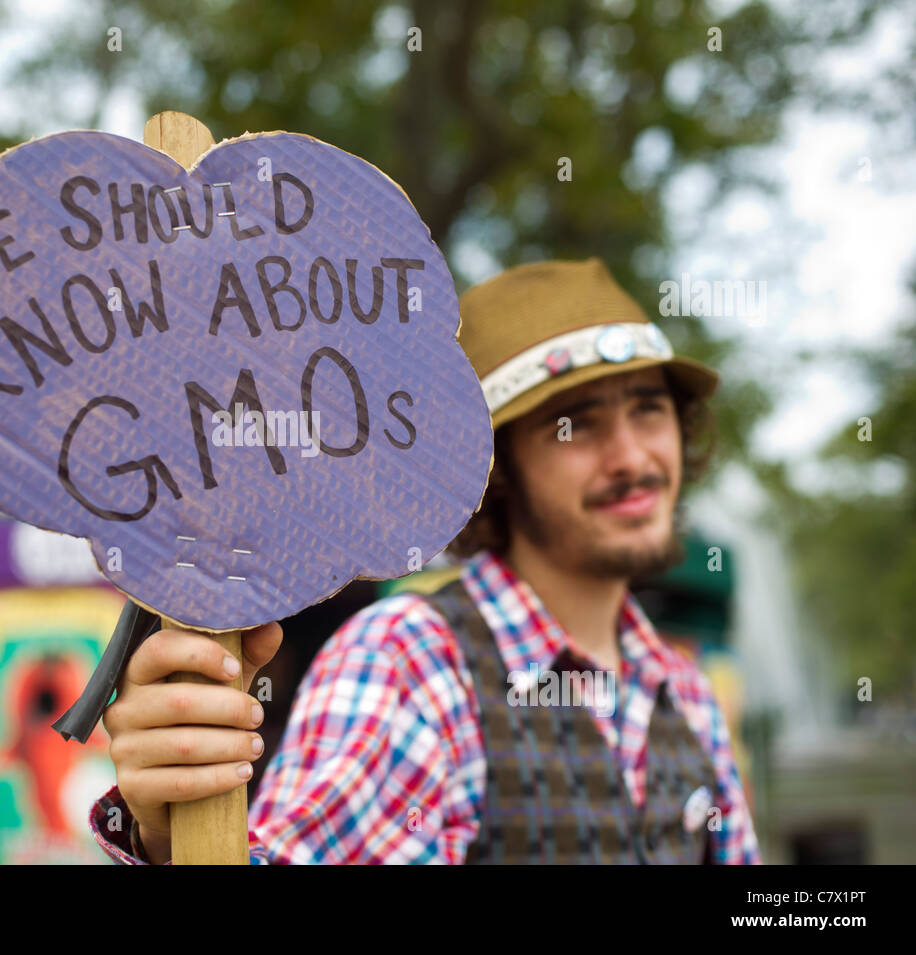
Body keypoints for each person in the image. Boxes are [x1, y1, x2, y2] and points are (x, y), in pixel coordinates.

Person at [89, 258, 761, 864]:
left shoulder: (687, 692)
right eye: (577, 423)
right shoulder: (413, 660)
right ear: (494, 467)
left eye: (649, 410)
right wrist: (175, 841)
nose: (632, 456)